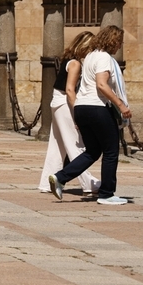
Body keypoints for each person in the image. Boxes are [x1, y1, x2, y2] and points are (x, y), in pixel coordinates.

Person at [49, 25, 131, 205]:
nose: (119, 46)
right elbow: (102, 85)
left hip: (82, 107)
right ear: (112, 41)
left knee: (93, 151)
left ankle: (60, 178)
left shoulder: (90, 56)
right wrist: (120, 104)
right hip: (97, 107)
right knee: (111, 151)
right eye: (119, 42)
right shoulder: (103, 58)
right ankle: (107, 194)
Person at [38, 31, 100, 194]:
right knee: (75, 145)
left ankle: (46, 182)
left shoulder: (68, 60)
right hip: (65, 103)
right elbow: (70, 90)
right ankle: (87, 182)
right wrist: (77, 114)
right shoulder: (75, 64)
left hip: (57, 101)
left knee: (57, 146)